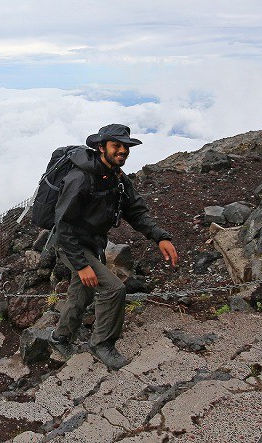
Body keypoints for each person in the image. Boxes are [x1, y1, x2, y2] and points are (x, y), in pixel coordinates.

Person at [48, 124, 178, 370]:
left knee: (82, 292)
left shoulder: (117, 177)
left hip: (93, 243)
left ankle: (60, 338)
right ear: (101, 147)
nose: (122, 151)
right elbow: (62, 225)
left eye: (125, 147)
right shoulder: (80, 178)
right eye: (116, 146)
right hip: (72, 245)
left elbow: (135, 211)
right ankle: (101, 343)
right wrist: (81, 264)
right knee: (114, 288)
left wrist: (160, 237)